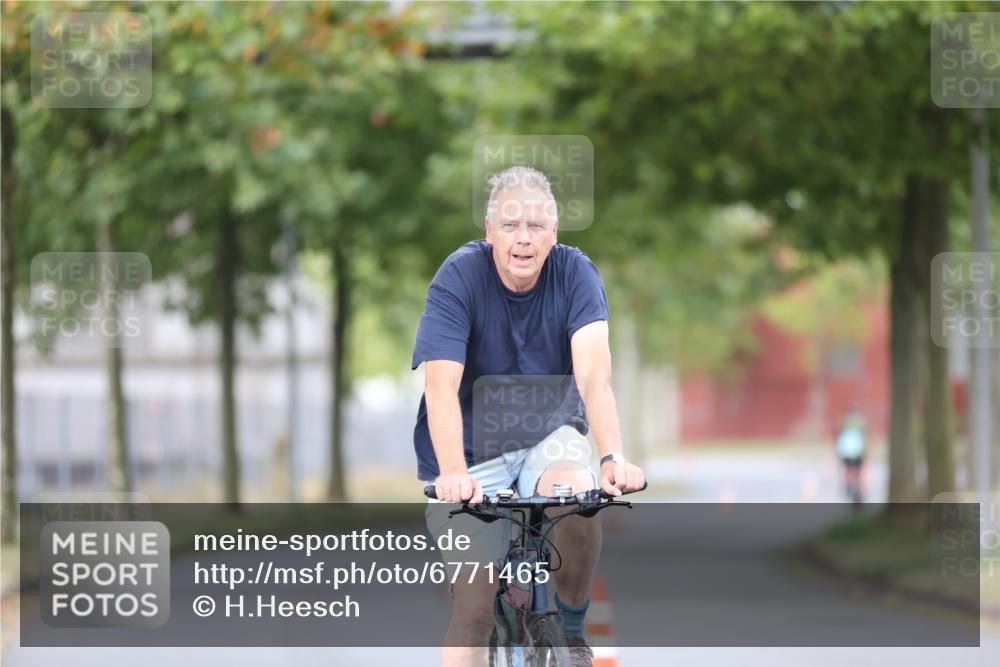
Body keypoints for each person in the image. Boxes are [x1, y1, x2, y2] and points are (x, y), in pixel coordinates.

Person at [412, 165, 645, 667]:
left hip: (549, 436)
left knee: (578, 496)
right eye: (511, 226)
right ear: (490, 232)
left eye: (536, 226)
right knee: (473, 611)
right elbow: (440, 385)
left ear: (554, 234)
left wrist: (612, 457)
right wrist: (452, 473)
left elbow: (594, 377)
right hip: (469, 453)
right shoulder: (459, 276)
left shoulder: (576, 272)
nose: (524, 238)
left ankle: (572, 628)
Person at [836, 404, 867, 503]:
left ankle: (847, 486)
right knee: (859, 470)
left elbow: (839, 436)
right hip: (858, 452)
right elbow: (865, 438)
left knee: (847, 469)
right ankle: (859, 489)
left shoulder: (844, 422)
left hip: (845, 452)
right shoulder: (862, 422)